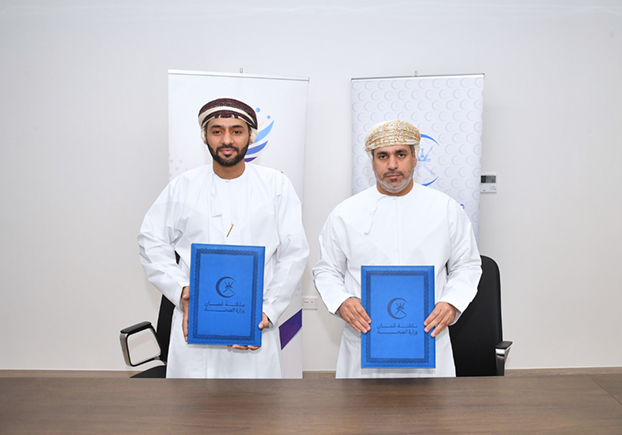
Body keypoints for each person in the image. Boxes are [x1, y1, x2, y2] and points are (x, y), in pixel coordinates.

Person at [138, 97, 309, 378]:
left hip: (255, 318)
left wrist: (268, 310)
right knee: (193, 403)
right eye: (217, 131)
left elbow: (295, 252)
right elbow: (150, 241)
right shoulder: (183, 186)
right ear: (204, 136)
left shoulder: (276, 185)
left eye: (236, 131)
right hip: (196, 316)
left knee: (254, 403)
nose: (227, 139)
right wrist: (182, 289)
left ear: (250, 137)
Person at [313, 120, 481, 378]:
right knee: (361, 406)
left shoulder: (445, 209)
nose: (392, 164)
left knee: (431, 406)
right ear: (372, 162)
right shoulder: (346, 213)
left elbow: (467, 265)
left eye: (400, 154)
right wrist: (342, 301)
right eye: (382, 156)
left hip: (428, 339)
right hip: (364, 342)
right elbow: (326, 270)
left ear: (415, 158)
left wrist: (451, 302)